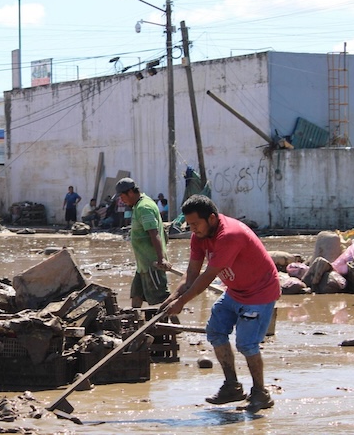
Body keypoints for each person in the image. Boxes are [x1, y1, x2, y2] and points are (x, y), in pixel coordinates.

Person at [159, 194, 280, 413]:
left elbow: (207, 277)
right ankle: (232, 386)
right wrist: (173, 297)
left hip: (259, 293)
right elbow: (192, 273)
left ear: (212, 218)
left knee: (246, 344)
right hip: (235, 291)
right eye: (190, 224)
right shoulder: (199, 237)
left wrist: (182, 302)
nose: (192, 229)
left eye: (196, 224)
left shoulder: (230, 235)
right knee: (215, 331)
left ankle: (261, 393)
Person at [115, 177, 172, 307]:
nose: (121, 200)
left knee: (163, 300)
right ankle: (134, 324)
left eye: (122, 196)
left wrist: (161, 259)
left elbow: (154, 233)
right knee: (136, 295)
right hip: (143, 265)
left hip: (152, 265)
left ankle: (176, 326)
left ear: (130, 192)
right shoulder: (139, 205)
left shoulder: (144, 207)